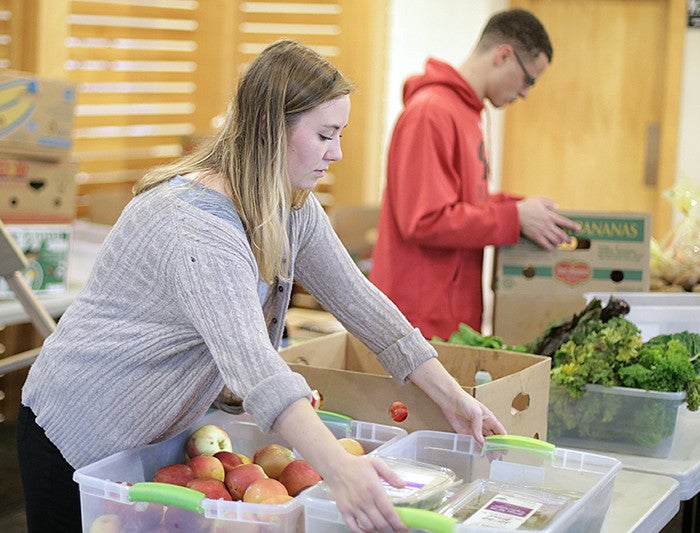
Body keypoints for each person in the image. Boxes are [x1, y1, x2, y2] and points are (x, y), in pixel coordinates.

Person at [17, 39, 505, 533]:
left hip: (146, 439)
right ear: (272, 132)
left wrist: (453, 396)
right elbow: (256, 368)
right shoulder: (195, 227)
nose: (336, 153)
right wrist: (338, 469)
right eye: (325, 135)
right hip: (76, 430)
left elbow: (360, 301)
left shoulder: (290, 205)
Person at [369, 8, 582, 340]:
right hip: (418, 321)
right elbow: (424, 219)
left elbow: (465, 201)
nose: (526, 93)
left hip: (451, 316)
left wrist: (520, 207)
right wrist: (512, 218)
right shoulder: (431, 112)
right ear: (504, 56)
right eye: (529, 79)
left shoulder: (468, 114)